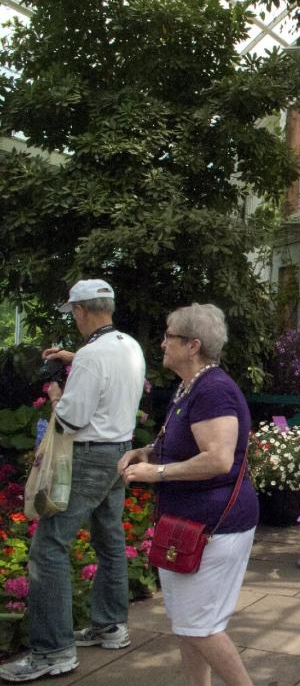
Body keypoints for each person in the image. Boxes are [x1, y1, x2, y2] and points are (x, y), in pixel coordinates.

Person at [0, 279, 145, 683]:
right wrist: (73, 357)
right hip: (120, 452)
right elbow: (104, 368)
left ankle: (53, 652)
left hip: (89, 456)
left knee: (48, 548)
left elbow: (71, 418)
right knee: (110, 539)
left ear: (81, 311)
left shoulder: (90, 357)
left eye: (74, 314)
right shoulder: (129, 346)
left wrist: (54, 393)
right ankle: (111, 626)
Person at [117, 303, 257, 686]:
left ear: (193, 345)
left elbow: (218, 459)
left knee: (201, 626)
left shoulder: (213, 391)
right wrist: (147, 452)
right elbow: (189, 446)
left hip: (215, 525)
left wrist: (156, 473)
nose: (161, 343)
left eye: (169, 336)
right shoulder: (191, 385)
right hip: (190, 523)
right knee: (188, 623)